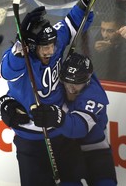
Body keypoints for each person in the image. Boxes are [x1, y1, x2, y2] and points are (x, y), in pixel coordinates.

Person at [0, 0, 111, 185]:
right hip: (29, 142)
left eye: (52, 46)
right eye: (44, 47)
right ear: (30, 47)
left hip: (61, 134)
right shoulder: (21, 60)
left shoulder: (54, 42)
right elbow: (6, 71)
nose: (51, 50)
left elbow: (73, 21)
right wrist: (21, 46)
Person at [30, 53, 117, 185]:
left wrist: (56, 117)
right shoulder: (57, 87)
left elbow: (79, 128)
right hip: (67, 153)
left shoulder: (94, 95)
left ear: (87, 81)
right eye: (67, 82)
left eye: (76, 84)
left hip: (95, 152)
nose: (70, 88)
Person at [79, 7, 126, 84]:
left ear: (121, 29)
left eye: (110, 31)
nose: (105, 35)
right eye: (102, 30)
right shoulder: (94, 38)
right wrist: (96, 52)